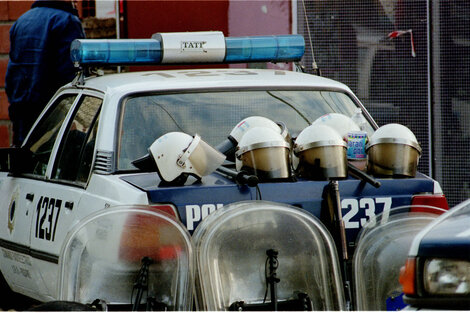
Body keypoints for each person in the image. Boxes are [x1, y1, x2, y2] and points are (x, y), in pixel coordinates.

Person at [5, 0, 85, 146]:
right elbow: (71, 75)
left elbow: (12, 74)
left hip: (22, 111)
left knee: (23, 159)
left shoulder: (22, 21)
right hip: (51, 113)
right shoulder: (66, 21)